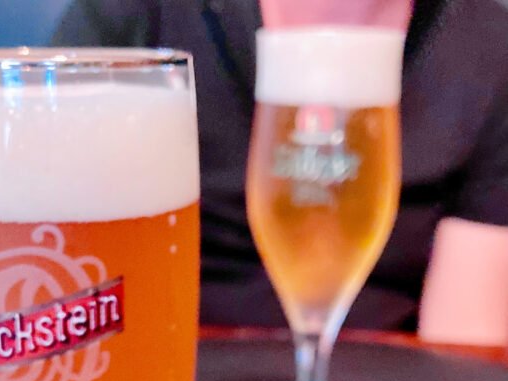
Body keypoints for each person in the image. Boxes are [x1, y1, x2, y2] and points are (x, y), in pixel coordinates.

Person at [53, 0, 508, 343]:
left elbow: (463, 347)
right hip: (159, 368)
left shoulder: (487, 45)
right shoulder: (138, 13)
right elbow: (60, 259)